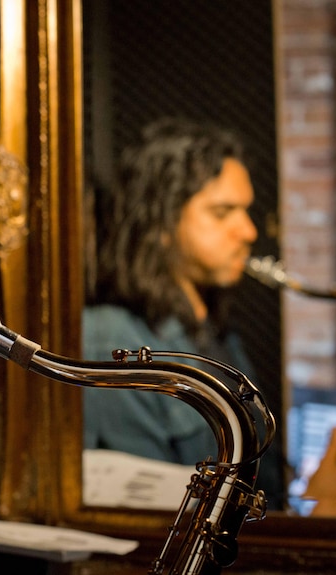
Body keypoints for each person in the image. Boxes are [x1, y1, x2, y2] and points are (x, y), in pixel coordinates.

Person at [82, 117, 284, 509]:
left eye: (246, 210)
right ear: (161, 220)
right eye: (223, 212)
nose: (249, 231)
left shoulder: (218, 331)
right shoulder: (111, 340)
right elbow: (150, 516)